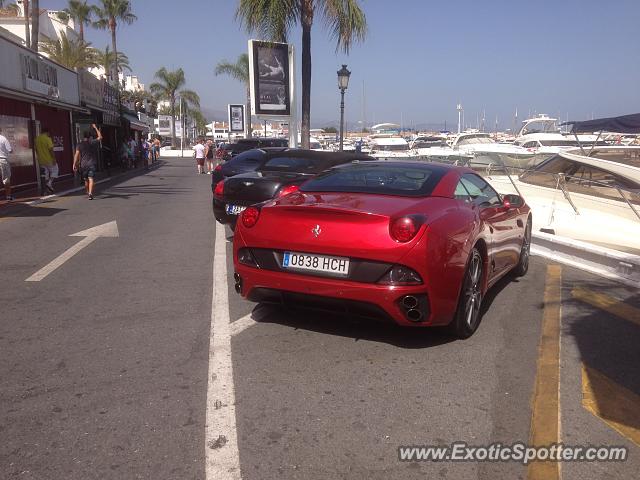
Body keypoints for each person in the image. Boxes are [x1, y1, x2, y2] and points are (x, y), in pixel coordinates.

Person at [73, 124, 102, 200]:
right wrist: (96, 128)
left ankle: (87, 191)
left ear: (84, 137)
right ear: (89, 137)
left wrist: (74, 164)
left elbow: (76, 155)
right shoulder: (91, 142)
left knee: (86, 180)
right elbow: (100, 137)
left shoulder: (79, 144)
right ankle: (90, 193)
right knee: (91, 178)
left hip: (83, 165)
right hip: (92, 164)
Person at [35, 127, 57, 194]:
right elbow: (51, 150)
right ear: (47, 132)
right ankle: (49, 184)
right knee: (55, 170)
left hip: (41, 160)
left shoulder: (36, 139)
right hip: (49, 159)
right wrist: (54, 159)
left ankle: (46, 189)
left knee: (45, 174)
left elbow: (36, 150)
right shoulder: (48, 139)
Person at [0, 128, 13, 201]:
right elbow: (10, 150)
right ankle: (8, 196)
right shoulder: (3, 139)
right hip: (3, 160)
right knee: (6, 179)